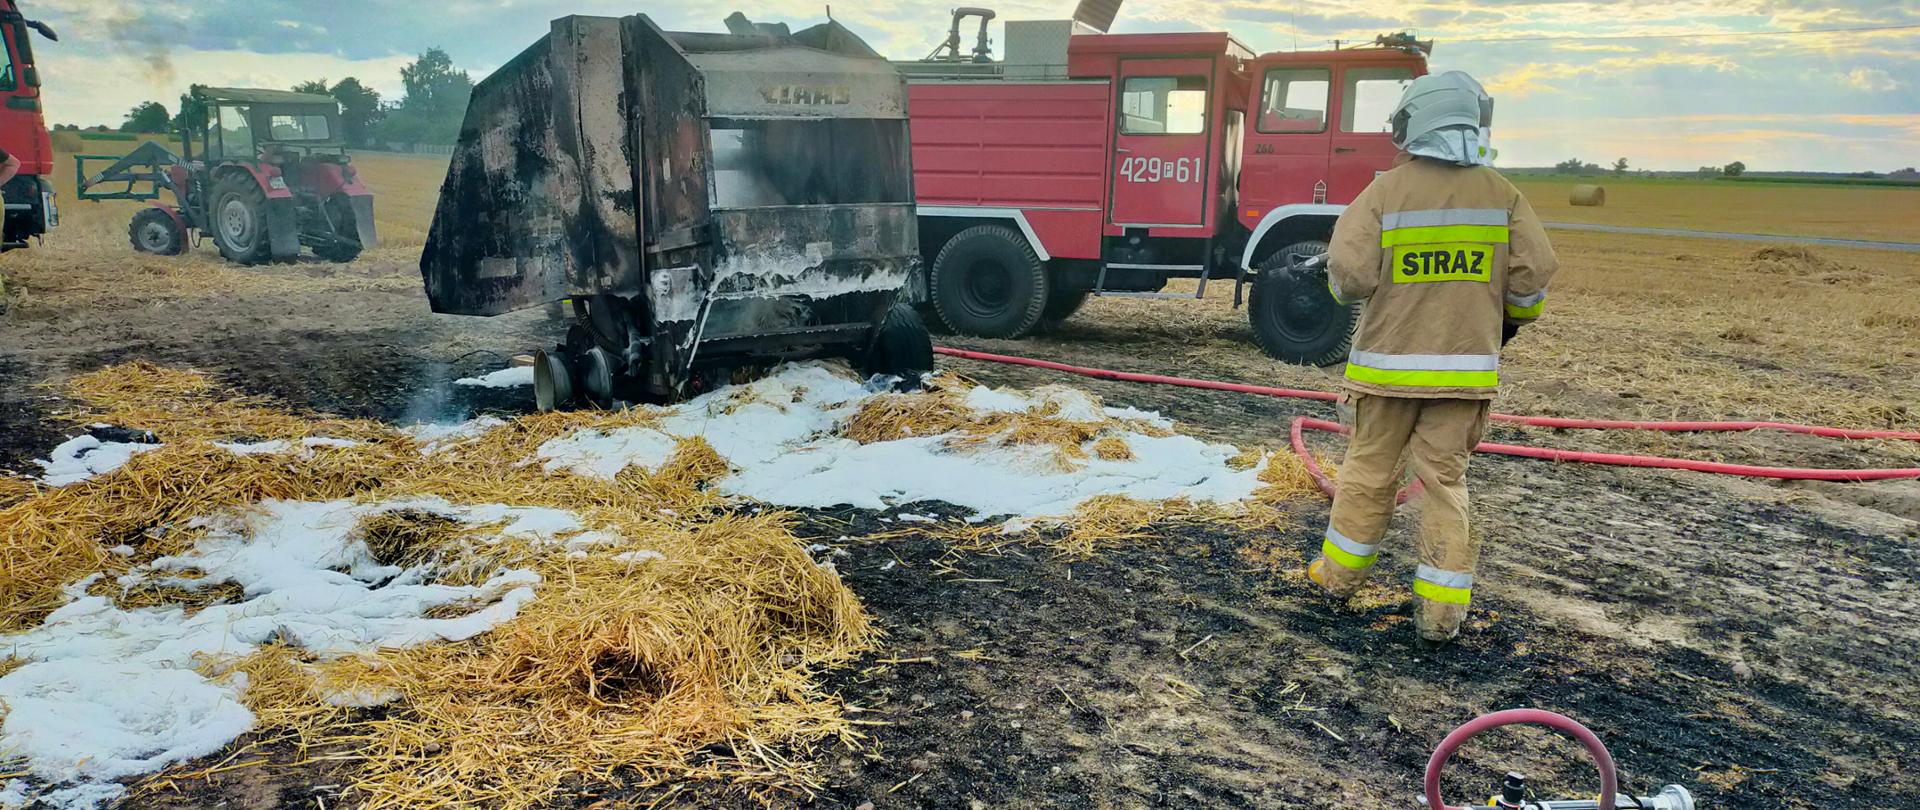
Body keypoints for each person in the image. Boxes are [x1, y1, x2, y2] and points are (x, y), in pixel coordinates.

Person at [1303, 70, 1558, 648]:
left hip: (1385, 374)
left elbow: (1349, 278)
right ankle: (1440, 617)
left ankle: (1337, 581)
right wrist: (1508, 318)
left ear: (1412, 123)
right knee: (1445, 484)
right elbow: (1531, 283)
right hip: (1464, 379)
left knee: (1368, 475)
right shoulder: (1503, 195)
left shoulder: (1385, 193)